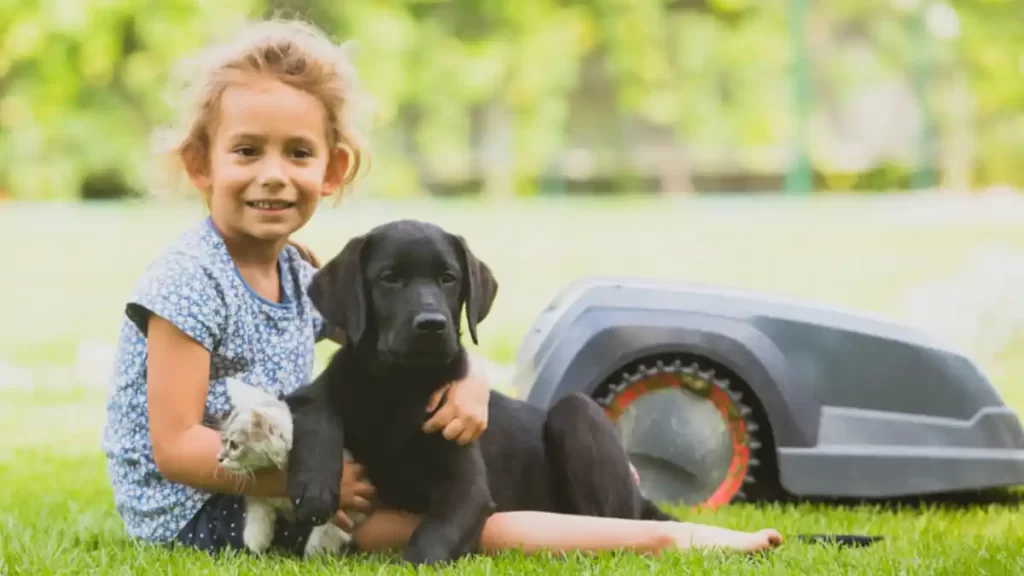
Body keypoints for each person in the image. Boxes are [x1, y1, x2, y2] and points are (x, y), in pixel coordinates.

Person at [100, 16, 783, 559]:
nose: (274, 175)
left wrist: (472, 376)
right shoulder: (187, 279)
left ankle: (647, 530)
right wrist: (309, 477)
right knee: (423, 528)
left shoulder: (298, 272)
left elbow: (376, 350)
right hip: (202, 508)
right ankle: (657, 536)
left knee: (440, 509)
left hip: (288, 483)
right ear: (200, 163)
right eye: (247, 151)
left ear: (332, 170)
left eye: (298, 153)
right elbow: (176, 447)